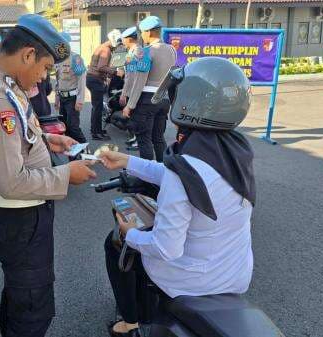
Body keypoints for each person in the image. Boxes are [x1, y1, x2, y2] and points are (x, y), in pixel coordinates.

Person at [99, 57, 256, 337]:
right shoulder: (235, 151)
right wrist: (126, 161)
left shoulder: (184, 170)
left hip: (192, 281)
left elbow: (165, 248)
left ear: (188, 104)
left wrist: (130, 233)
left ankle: (131, 322)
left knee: (115, 243)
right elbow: (180, 175)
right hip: (233, 273)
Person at [0, 14, 97, 337]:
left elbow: (14, 140)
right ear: (27, 55)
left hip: (20, 218)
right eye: (44, 67)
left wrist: (47, 139)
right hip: (20, 219)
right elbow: (11, 181)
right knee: (31, 307)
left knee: (20, 296)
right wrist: (66, 174)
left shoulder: (4, 82)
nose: (42, 78)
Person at [123, 16, 176, 161]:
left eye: (142, 32)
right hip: (164, 100)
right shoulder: (171, 49)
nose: (141, 36)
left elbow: (140, 81)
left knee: (144, 140)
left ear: (149, 32)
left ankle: (147, 179)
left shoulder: (145, 52)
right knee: (158, 139)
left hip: (147, 100)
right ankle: (163, 172)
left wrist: (130, 105)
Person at [86, 28, 121, 140]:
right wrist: (116, 72)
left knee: (96, 107)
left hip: (92, 79)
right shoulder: (106, 50)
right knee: (97, 107)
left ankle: (96, 130)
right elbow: (101, 67)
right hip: (95, 79)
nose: (117, 46)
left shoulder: (101, 47)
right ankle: (96, 133)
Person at [54, 32, 87, 143]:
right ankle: (73, 154)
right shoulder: (58, 60)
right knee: (65, 127)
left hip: (72, 99)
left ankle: (85, 150)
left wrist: (80, 100)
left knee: (74, 128)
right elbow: (58, 81)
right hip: (62, 98)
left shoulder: (75, 58)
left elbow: (81, 80)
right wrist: (57, 99)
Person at [119, 26, 142, 150]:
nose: (122, 41)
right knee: (133, 116)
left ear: (129, 39)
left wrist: (125, 92)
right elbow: (128, 74)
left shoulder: (138, 52)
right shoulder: (130, 52)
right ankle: (135, 137)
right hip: (131, 88)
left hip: (135, 89)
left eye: (123, 38)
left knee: (137, 116)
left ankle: (138, 140)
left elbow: (134, 76)